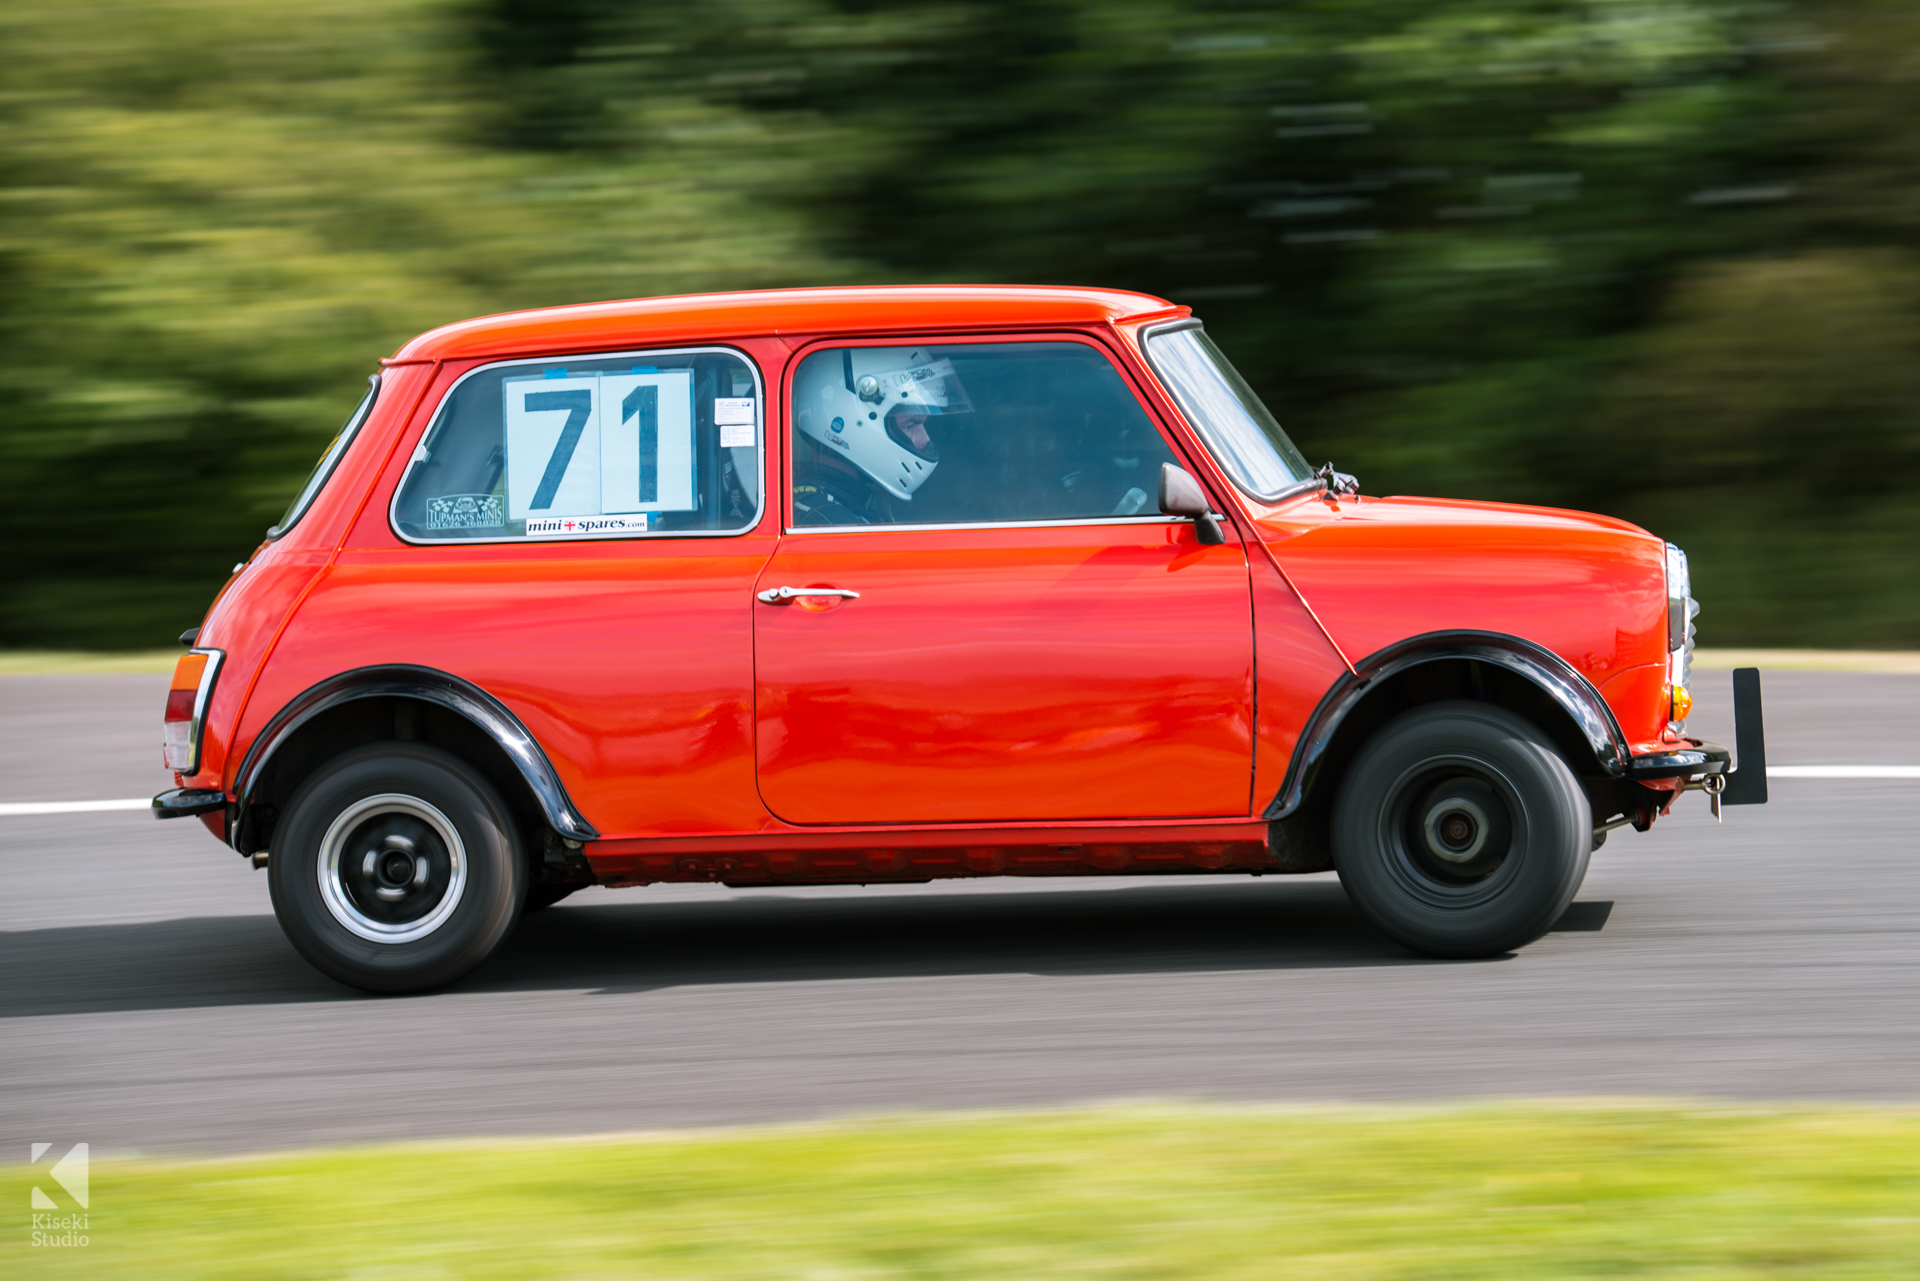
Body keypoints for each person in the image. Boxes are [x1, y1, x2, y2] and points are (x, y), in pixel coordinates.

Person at [792, 348, 970, 525]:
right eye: (910, 425)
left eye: (923, 424)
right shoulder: (826, 523)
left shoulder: (831, 508)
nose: (925, 439)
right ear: (854, 420)